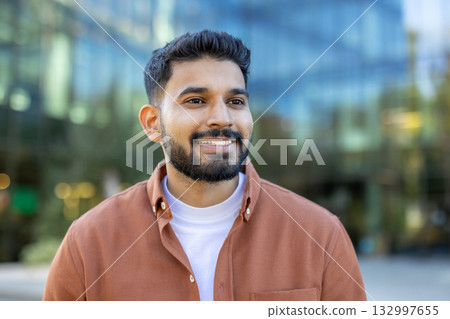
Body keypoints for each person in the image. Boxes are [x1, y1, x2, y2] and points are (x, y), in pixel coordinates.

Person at [43, 30, 366, 301]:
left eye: (236, 102)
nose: (222, 119)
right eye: (196, 101)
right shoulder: (88, 243)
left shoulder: (320, 235)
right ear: (153, 124)